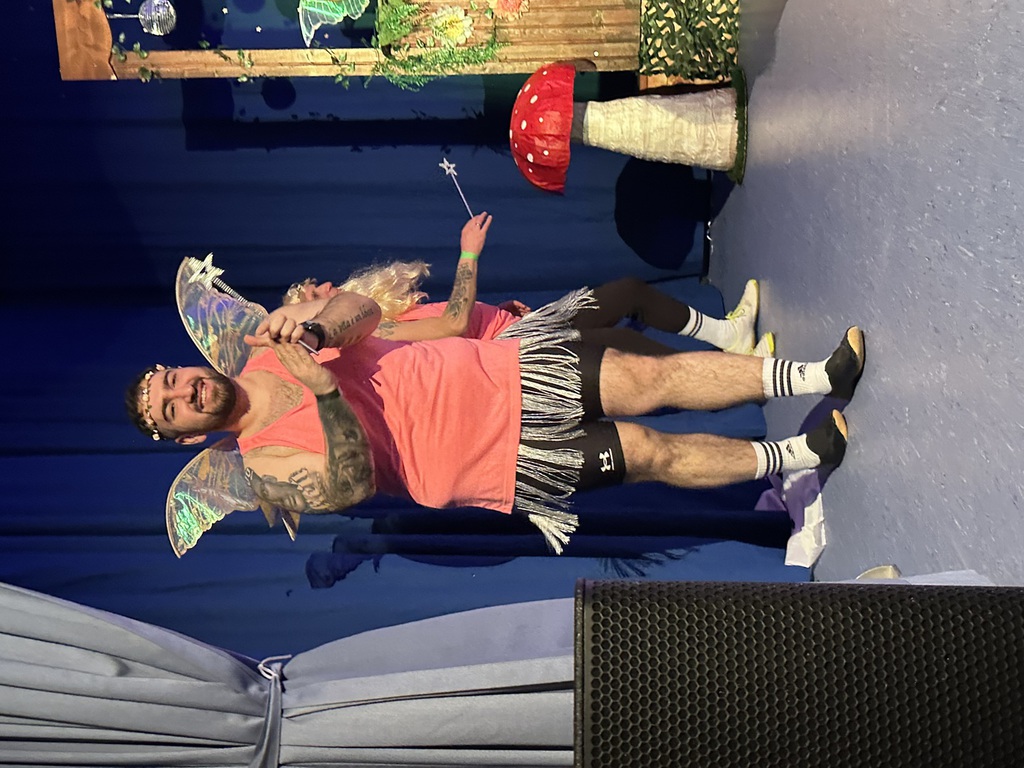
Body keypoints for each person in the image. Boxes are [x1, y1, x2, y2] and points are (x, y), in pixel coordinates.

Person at [128, 215, 865, 553]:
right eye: (171, 410)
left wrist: (318, 334)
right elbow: (348, 487)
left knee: (651, 375)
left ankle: (811, 374)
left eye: (172, 381)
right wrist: (323, 394)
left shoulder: (271, 338)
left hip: (504, 370)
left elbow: (363, 310)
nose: (183, 394)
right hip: (492, 461)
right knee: (647, 451)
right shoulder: (262, 466)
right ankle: (800, 455)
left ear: (184, 367)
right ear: (184, 436)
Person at [282, 213, 775, 357]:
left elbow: (459, 321)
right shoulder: (379, 335)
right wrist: (468, 254)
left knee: (627, 293)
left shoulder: (382, 315)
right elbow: (452, 325)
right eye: (314, 293)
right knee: (625, 346)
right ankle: (740, 373)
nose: (325, 286)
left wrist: (497, 310)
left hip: (516, 328)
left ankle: (727, 337)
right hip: (517, 354)